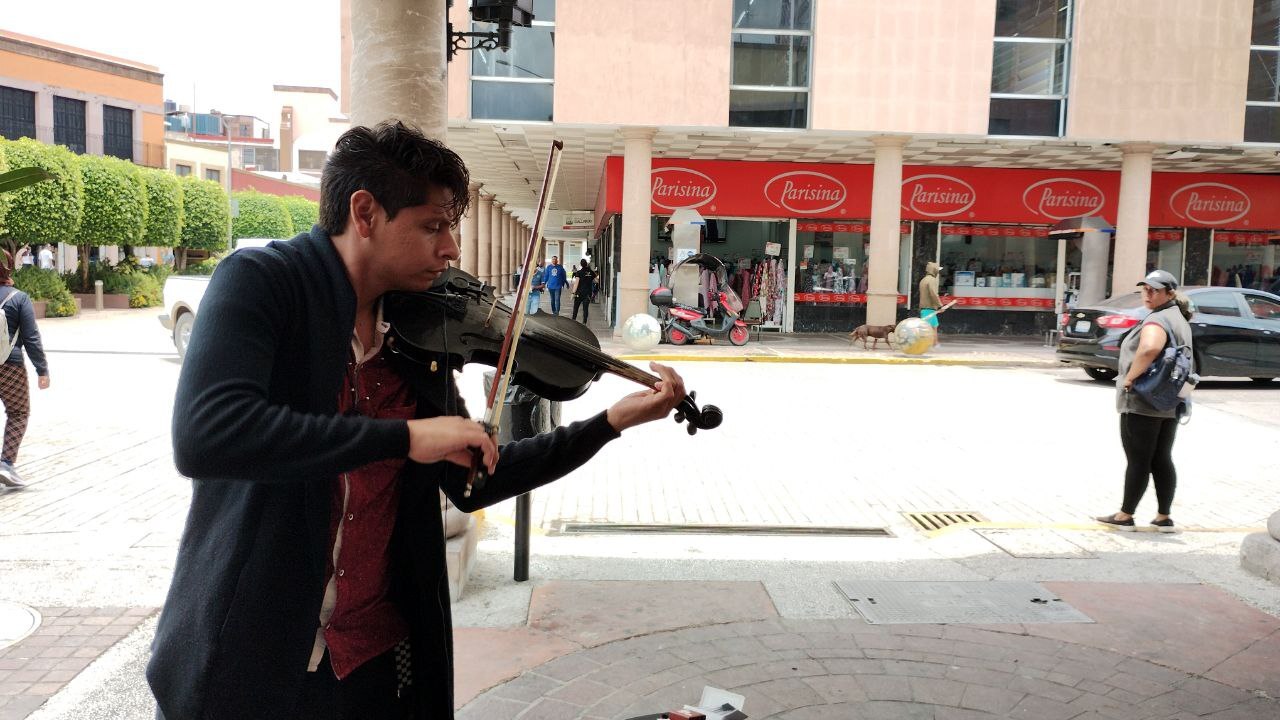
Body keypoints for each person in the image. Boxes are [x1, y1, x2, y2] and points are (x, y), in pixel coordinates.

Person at [146, 121, 689, 720]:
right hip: (250, 662)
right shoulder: (262, 283)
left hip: (375, 667)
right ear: (366, 213)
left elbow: (476, 475)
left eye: (451, 227)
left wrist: (609, 422)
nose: (451, 248)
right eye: (433, 226)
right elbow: (207, 435)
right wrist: (405, 437)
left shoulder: (412, 336)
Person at [1095, 269, 1193, 533]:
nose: (1148, 294)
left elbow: (1149, 348)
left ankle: (1125, 515)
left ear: (1169, 293)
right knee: (1161, 457)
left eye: (1155, 290)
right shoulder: (1179, 318)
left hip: (1143, 397)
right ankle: (1164, 517)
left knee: (1138, 459)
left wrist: (1129, 379)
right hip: (1169, 398)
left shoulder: (1157, 320)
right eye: (1145, 289)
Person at [0, 262, 50, 490]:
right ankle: (6, 464)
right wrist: (42, 370)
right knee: (19, 413)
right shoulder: (19, 298)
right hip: (9, 366)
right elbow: (31, 338)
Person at [919, 261, 943, 346]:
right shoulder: (932, 280)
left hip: (925, 308)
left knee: (930, 328)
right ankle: (933, 345)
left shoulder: (923, 280)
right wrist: (940, 305)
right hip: (929, 309)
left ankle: (934, 344)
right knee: (931, 328)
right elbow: (933, 294)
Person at [571, 258, 597, 324]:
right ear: (586, 264)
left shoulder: (579, 272)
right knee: (585, 309)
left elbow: (576, 283)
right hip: (588, 293)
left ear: (581, 264)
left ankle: (573, 320)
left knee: (576, 307)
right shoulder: (591, 272)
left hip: (579, 293)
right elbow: (596, 280)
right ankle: (584, 323)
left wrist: (573, 293)